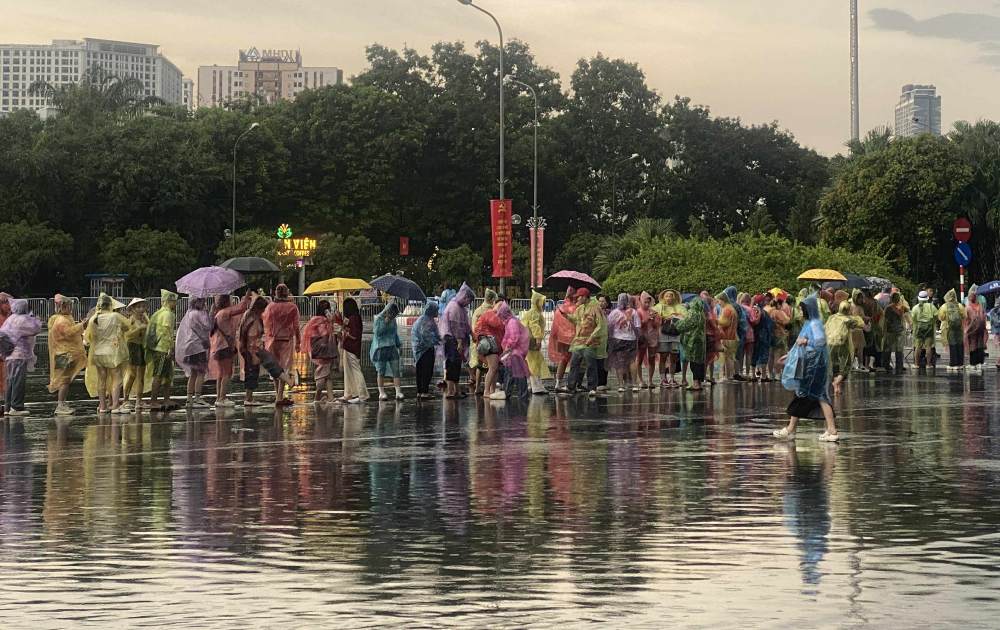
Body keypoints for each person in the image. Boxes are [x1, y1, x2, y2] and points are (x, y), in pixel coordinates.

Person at [773, 294, 840, 442]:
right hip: (812, 365)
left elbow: (819, 343)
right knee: (817, 396)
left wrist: (805, 341)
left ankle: (791, 429)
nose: (801, 312)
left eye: (803, 309)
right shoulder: (810, 323)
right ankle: (831, 429)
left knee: (805, 394)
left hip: (814, 367)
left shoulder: (814, 324)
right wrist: (789, 356)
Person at [84, 293, 132, 413]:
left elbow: (88, 337)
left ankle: (102, 406)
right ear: (110, 305)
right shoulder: (115, 316)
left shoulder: (93, 318)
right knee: (116, 378)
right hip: (112, 351)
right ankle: (115, 405)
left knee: (102, 379)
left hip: (97, 353)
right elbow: (128, 326)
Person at [46, 294, 88, 416]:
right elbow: (69, 333)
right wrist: (82, 326)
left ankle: (62, 403)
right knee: (64, 381)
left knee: (65, 380)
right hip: (64, 354)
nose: (71, 308)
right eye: (69, 306)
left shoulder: (59, 318)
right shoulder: (61, 321)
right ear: (64, 306)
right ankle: (60, 405)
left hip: (63, 353)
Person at [0, 300, 42, 417]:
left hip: (8, 355)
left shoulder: (10, 318)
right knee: (18, 381)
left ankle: (7, 407)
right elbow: (36, 328)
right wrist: (34, 317)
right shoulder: (23, 319)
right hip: (19, 354)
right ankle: (16, 407)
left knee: (10, 381)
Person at [210, 293, 251, 408]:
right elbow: (241, 308)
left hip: (217, 346)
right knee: (227, 373)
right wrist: (246, 296)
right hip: (225, 346)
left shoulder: (217, 313)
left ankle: (219, 397)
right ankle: (222, 398)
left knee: (220, 374)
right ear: (226, 301)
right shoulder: (225, 313)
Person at [262, 284, 301, 405]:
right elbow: (296, 326)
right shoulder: (292, 307)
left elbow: (266, 322)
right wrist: (298, 342)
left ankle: (277, 395)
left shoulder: (270, 307)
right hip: (286, 340)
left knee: (275, 368)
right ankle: (279, 395)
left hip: (272, 340)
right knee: (284, 368)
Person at [561, 288, 602, 395]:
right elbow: (576, 320)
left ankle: (592, 387)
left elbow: (600, 325)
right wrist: (566, 316)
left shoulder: (595, 308)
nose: (578, 299)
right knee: (575, 363)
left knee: (590, 365)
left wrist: (592, 337)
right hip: (579, 342)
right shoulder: (580, 309)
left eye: (579, 296)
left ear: (584, 296)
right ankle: (571, 386)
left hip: (590, 342)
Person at [175, 297, 213, 408]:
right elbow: (207, 327)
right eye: (201, 301)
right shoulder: (199, 314)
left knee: (193, 374)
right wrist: (210, 313)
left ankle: (189, 398)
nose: (203, 303)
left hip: (190, 347)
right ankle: (197, 398)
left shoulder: (190, 314)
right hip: (198, 347)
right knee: (201, 372)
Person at [144, 290, 178, 411]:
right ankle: (154, 400)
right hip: (162, 349)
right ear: (169, 301)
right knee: (159, 375)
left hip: (158, 348)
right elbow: (167, 333)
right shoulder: (167, 314)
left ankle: (166, 398)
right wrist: (171, 348)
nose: (175, 303)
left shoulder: (158, 313)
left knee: (168, 375)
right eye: (174, 301)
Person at [301, 299, 340, 403]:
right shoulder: (322, 321)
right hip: (324, 350)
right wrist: (330, 322)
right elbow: (324, 334)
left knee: (327, 374)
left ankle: (328, 397)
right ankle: (318, 396)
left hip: (318, 349)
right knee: (323, 372)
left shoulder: (314, 320)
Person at [441, 283, 475, 399]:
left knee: (456, 366)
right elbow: (456, 327)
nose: (468, 303)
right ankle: (451, 391)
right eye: (468, 300)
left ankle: (456, 390)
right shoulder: (455, 307)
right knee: (452, 365)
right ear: (464, 297)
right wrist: (460, 342)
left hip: (455, 340)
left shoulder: (459, 307)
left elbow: (465, 324)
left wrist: (471, 333)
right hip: (452, 340)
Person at [824, 301, 867, 395]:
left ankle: (837, 389)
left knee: (835, 366)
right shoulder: (848, 319)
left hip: (829, 343)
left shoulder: (831, 317)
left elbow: (825, 327)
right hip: (842, 344)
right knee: (846, 366)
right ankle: (836, 383)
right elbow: (863, 326)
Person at [473, 294, 506, 399]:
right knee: (493, 368)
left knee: (494, 368)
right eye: (499, 305)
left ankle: (491, 390)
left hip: (492, 345)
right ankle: (487, 391)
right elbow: (496, 324)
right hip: (490, 345)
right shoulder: (490, 314)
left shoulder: (490, 314)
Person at [237, 295, 268, 406]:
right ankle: (249, 398)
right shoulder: (254, 319)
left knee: (250, 371)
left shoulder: (247, 315)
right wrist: (256, 352)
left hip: (246, 348)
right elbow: (252, 336)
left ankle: (249, 397)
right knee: (252, 372)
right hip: (252, 349)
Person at [497, 302, 531, 401]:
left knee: (516, 374)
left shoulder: (511, 322)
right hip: (514, 352)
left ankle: (520, 395)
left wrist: (507, 348)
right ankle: (511, 393)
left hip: (514, 352)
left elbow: (513, 337)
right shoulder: (511, 321)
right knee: (511, 373)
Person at [121, 298, 150, 413]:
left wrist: (146, 325)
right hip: (132, 346)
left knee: (141, 375)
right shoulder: (131, 320)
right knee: (132, 374)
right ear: (132, 309)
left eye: (143, 307)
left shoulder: (145, 319)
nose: (141, 309)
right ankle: (126, 399)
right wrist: (139, 329)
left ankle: (139, 400)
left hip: (142, 346)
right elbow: (127, 335)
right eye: (138, 307)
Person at [607, 293, 640, 392]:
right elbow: (638, 327)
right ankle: (634, 384)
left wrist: (610, 340)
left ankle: (621, 385)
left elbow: (609, 327)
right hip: (631, 339)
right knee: (632, 361)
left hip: (617, 339)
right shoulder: (634, 312)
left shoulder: (614, 313)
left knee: (619, 362)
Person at [371, 302, 404, 400]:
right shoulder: (378, 319)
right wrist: (385, 322)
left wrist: (399, 345)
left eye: (395, 315)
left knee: (396, 370)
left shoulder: (393, 321)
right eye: (392, 314)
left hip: (392, 347)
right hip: (381, 348)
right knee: (381, 371)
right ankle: (381, 392)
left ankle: (398, 392)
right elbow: (377, 333)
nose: (394, 316)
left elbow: (395, 333)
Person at [520, 290, 552, 395]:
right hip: (532, 340)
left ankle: (530, 384)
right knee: (535, 363)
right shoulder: (534, 313)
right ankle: (536, 387)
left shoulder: (531, 312)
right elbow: (535, 327)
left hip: (526, 340)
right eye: (541, 301)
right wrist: (538, 340)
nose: (543, 303)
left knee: (531, 362)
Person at [339, 297, 369, 403]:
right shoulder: (354, 317)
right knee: (348, 371)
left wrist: (346, 333)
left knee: (355, 370)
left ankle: (362, 394)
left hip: (352, 347)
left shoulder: (353, 318)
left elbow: (354, 335)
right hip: (349, 347)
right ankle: (348, 393)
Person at [653, 290, 685, 388]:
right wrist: (664, 318)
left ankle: (672, 378)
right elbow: (653, 316)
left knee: (674, 357)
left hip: (675, 335)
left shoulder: (679, 307)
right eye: (667, 296)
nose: (669, 298)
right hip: (663, 334)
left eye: (671, 296)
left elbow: (684, 316)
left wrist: (676, 316)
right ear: (663, 297)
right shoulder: (659, 306)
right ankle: (663, 379)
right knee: (663, 356)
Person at [674, 296, 707, 391]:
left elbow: (684, 325)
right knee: (700, 362)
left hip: (692, 341)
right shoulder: (701, 313)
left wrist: (676, 321)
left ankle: (696, 383)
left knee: (694, 363)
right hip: (701, 341)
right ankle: (699, 383)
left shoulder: (693, 313)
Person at [469, 289, 498, 394]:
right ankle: (489, 389)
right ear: (491, 299)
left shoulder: (478, 310)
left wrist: (475, 339)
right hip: (488, 342)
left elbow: (473, 326)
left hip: (477, 341)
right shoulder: (492, 311)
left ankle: (477, 388)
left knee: (479, 366)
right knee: (491, 367)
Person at [548, 287, 577, 392]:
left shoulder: (560, 308)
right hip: (574, 338)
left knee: (563, 360)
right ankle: (572, 383)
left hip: (562, 339)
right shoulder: (577, 308)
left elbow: (555, 326)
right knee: (575, 361)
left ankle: (557, 383)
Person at [411, 301, 441, 400]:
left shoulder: (425, 319)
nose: (438, 311)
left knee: (420, 371)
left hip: (418, 350)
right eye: (436, 310)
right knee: (426, 371)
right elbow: (426, 335)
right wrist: (436, 340)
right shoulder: (426, 321)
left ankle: (420, 391)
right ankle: (424, 392)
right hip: (425, 349)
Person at [635, 292, 660, 388]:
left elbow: (656, 325)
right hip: (642, 338)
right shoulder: (638, 312)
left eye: (648, 302)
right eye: (645, 302)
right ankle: (640, 380)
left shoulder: (652, 311)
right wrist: (647, 319)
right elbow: (638, 325)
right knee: (639, 359)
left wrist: (653, 319)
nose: (647, 304)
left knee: (652, 359)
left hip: (652, 337)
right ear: (641, 301)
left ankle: (650, 380)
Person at [882, 293, 911, 374]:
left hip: (890, 331)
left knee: (887, 349)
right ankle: (899, 366)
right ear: (899, 299)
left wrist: (883, 331)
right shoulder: (902, 307)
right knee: (899, 349)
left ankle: (886, 365)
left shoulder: (888, 308)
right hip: (900, 331)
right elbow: (907, 311)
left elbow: (885, 320)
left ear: (891, 299)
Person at [938, 289, 967, 371]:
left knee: (952, 345)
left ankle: (953, 364)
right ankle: (960, 363)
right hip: (959, 328)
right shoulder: (960, 305)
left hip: (949, 328)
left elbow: (941, 317)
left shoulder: (944, 306)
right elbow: (965, 316)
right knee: (960, 344)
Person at [716, 288, 740, 382]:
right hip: (733, 336)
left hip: (728, 336)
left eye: (719, 301)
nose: (718, 303)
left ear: (723, 300)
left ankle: (727, 376)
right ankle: (728, 375)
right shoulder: (731, 308)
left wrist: (715, 320)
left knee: (727, 357)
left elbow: (725, 322)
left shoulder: (727, 309)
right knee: (730, 357)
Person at [964, 285, 988, 372]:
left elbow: (966, 319)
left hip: (972, 328)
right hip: (981, 328)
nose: (970, 297)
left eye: (970, 296)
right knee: (980, 344)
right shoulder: (980, 305)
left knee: (973, 345)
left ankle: (973, 363)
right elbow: (983, 316)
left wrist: (966, 330)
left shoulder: (968, 307)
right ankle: (980, 362)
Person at [911, 291, 937, 369]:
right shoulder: (931, 306)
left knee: (918, 346)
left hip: (918, 329)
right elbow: (936, 316)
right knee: (928, 347)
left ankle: (916, 364)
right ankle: (928, 364)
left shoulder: (915, 307)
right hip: (929, 328)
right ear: (927, 298)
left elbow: (913, 318)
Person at [751, 294, 774, 381]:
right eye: (763, 300)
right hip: (762, 336)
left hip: (756, 335)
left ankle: (754, 375)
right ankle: (764, 376)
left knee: (755, 354)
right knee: (763, 354)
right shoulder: (759, 311)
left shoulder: (755, 310)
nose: (765, 302)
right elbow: (757, 322)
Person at [738, 291, 759, 380]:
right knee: (749, 354)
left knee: (740, 354)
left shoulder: (739, 307)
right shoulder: (750, 309)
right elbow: (754, 321)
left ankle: (740, 372)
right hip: (749, 333)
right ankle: (747, 372)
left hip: (740, 333)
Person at [0, 293, 11, 417]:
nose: (8, 305)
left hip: (6, 356)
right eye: (6, 302)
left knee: (5, 381)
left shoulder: (8, 317)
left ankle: (5, 405)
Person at [989, 299, 1000, 370]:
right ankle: (998, 362)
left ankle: (998, 362)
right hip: (997, 332)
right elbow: (995, 322)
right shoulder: (993, 311)